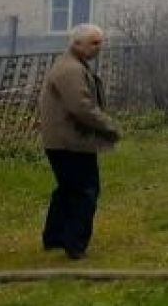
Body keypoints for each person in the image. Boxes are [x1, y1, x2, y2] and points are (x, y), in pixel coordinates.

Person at [38, 23, 121, 260]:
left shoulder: (71, 64)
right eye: (94, 43)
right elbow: (81, 107)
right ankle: (75, 245)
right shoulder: (71, 70)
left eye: (100, 42)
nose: (99, 48)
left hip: (63, 140)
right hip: (70, 142)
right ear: (77, 44)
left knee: (67, 189)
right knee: (84, 192)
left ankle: (54, 237)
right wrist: (109, 127)